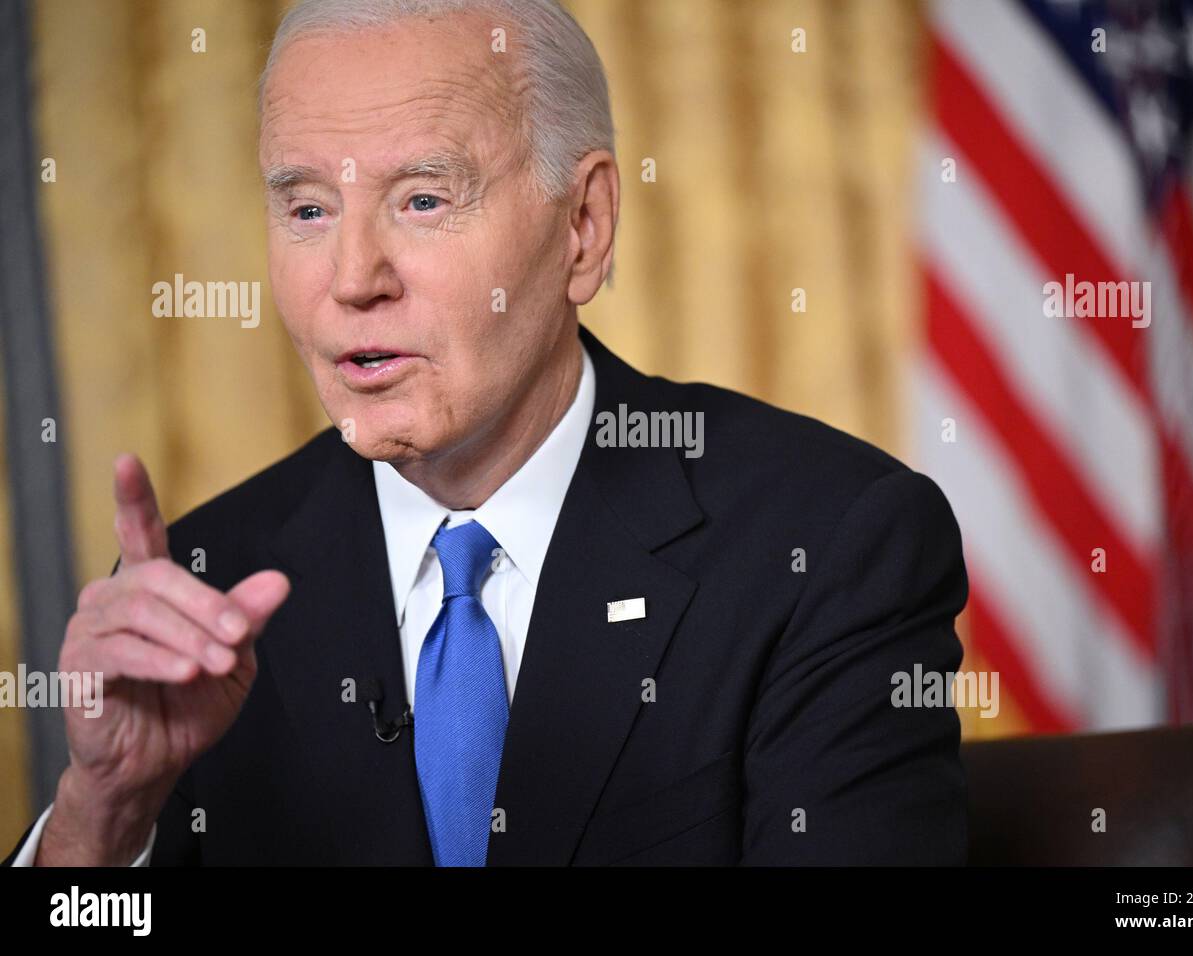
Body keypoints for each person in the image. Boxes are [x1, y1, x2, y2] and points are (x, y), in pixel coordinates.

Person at [6, 0, 968, 866]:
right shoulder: (202, 592)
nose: (352, 279)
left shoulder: (826, 545)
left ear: (583, 228)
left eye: (423, 199)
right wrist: (103, 817)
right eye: (307, 209)